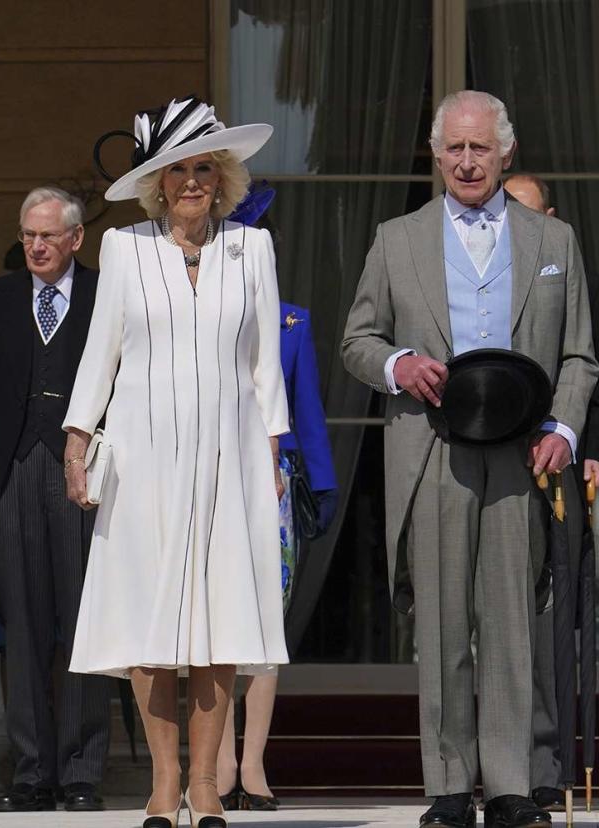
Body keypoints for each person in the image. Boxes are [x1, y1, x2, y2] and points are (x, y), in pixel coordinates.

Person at [343, 90, 598, 828]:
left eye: (479, 148)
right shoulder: (398, 238)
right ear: (436, 154)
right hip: (434, 450)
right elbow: (357, 340)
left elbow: (581, 354)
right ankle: (452, 786)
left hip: (523, 454)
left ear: (505, 152)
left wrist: (568, 431)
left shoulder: (555, 244)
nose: (465, 161)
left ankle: (515, 785)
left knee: (513, 624)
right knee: (446, 626)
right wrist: (398, 365)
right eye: (453, 148)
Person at [63, 96, 288, 828]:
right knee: (149, 626)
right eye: (177, 170)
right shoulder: (125, 248)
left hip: (231, 457)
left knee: (220, 625)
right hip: (143, 456)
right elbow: (103, 346)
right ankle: (163, 785)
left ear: (222, 179)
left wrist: (275, 452)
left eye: (204, 168)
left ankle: (206, 786)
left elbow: (263, 368)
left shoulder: (251, 250)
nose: (192, 182)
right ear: (157, 184)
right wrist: (77, 435)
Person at [0, 187, 111, 813]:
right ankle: (32, 771)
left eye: (48, 236)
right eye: (27, 235)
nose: (36, 246)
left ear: (76, 238)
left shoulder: (106, 296)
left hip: (85, 476)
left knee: (82, 624)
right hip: (10, 476)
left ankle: (80, 773)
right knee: (22, 626)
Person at [216, 188, 339, 811]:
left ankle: (254, 765)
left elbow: (308, 409)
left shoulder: (293, 320)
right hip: (209, 479)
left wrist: (322, 484)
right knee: (211, 624)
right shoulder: (200, 310)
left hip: (275, 485)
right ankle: (217, 765)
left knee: (265, 623)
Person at [504, 174, 599, 808]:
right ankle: (497, 766)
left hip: (558, 470)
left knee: (553, 629)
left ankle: (546, 768)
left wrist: (593, 453)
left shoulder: (583, 280)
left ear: (552, 220)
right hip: (494, 468)